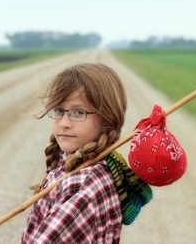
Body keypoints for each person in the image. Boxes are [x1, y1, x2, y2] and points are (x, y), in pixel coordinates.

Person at [20, 63, 152, 243]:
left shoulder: (82, 186)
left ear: (107, 117)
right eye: (58, 110)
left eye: (78, 112)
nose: (64, 122)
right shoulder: (86, 166)